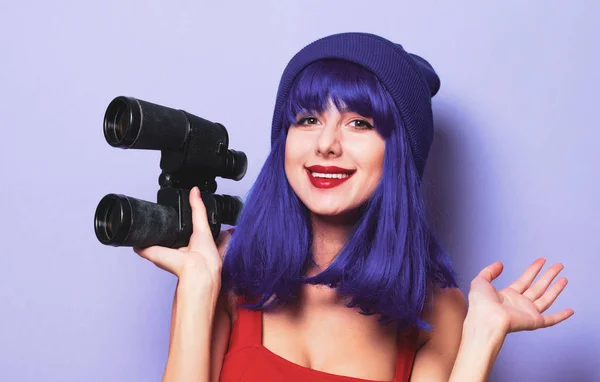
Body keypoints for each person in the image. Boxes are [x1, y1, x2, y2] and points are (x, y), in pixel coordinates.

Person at [133, 32, 574, 382]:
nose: (326, 143)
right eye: (307, 119)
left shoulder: (438, 309)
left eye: (359, 123)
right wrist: (197, 285)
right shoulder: (226, 270)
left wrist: (481, 338)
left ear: (400, 152)